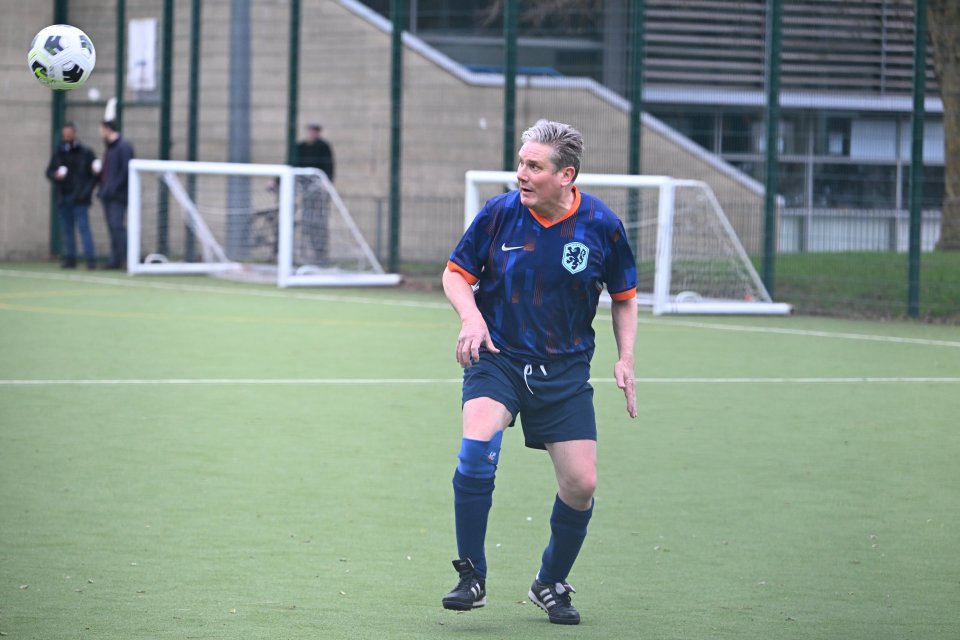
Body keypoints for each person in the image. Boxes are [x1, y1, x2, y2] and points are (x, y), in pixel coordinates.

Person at [440, 119, 638, 625]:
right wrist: (471, 316)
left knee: (581, 484)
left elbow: (624, 298)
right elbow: (456, 274)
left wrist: (625, 357)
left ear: (566, 175)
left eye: (534, 166)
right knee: (477, 444)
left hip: (565, 368)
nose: (521, 174)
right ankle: (471, 574)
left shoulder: (602, 225)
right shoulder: (499, 215)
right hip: (498, 355)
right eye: (521, 163)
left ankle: (550, 581)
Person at [45, 122, 99, 269]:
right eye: (65, 134)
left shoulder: (86, 152)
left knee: (84, 228)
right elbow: (49, 172)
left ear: (74, 133)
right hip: (64, 196)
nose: (67, 136)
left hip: (80, 198)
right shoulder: (59, 152)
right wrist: (56, 175)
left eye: (69, 133)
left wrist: (86, 191)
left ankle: (90, 259)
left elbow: (94, 175)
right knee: (67, 229)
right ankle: (70, 258)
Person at [294, 124, 336, 264]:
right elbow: (292, 163)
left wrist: (326, 182)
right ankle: (304, 254)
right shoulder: (301, 147)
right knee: (305, 222)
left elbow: (329, 166)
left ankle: (320, 254)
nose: (311, 134)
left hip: (318, 192)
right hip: (304, 191)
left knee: (319, 222)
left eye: (314, 131)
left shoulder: (323, 147)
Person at [96, 120, 134, 269]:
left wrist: (113, 188)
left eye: (101, 130)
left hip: (118, 195)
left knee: (117, 226)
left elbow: (125, 171)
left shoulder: (123, 147)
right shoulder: (109, 148)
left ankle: (129, 258)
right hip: (107, 194)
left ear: (107, 129)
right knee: (112, 227)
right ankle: (115, 259)